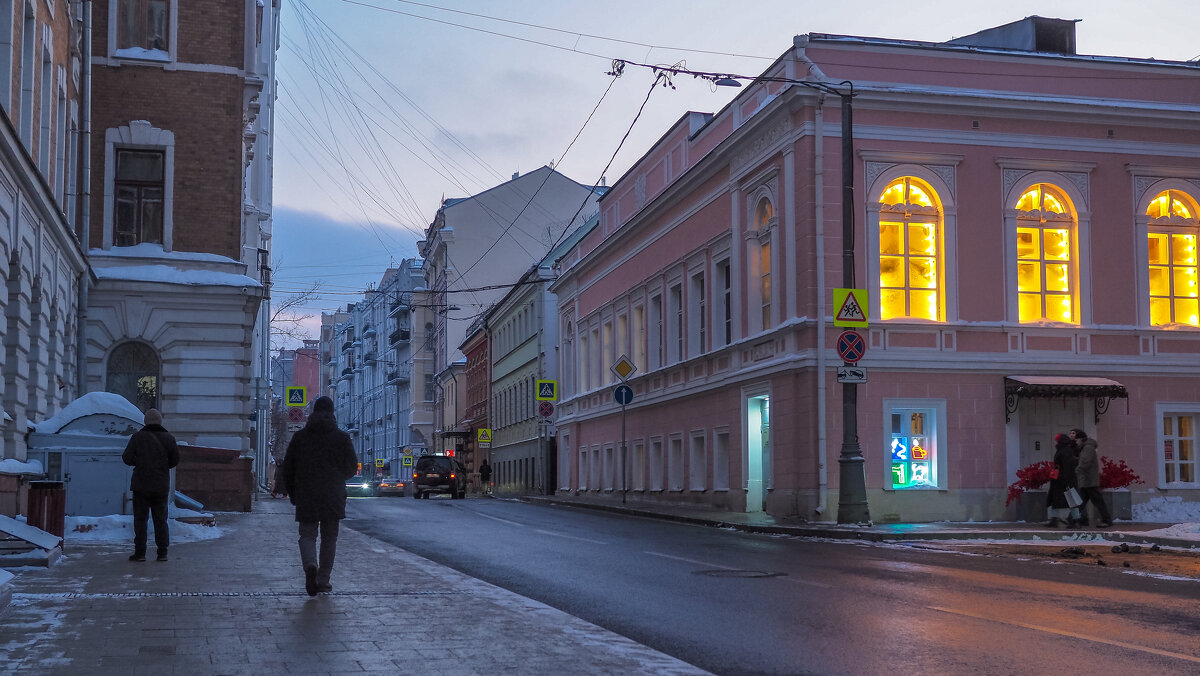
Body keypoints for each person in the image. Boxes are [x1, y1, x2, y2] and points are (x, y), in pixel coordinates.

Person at [281, 396, 357, 596]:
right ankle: (323, 580)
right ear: (332, 413)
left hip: (306, 494)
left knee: (307, 535)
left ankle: (310, 566)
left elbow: (288, 469)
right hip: (333, 495)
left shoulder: (300, 438)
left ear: (313, 413)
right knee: (329, 538)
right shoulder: (342, 438)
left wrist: (292, 493)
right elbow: (351, 467)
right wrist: (336, 476)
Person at [122, 408, 180, 562]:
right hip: (160, 486)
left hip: (141, 485)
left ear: (145, 421)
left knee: (140, 520)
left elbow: (126, 458)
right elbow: (174, 461)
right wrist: (161, 466)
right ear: (160, 421)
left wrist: (140, 462)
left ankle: (140, 553)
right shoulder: (169, 438)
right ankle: (162, 553)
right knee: (160, 519)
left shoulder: (137, 437)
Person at [1071, 427, 1112, 528]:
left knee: (1097, 502)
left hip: (1089, 480)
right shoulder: (1085, 448)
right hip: (1086, 480)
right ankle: (1072, 520)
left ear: (1081, 439)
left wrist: (1077, 470)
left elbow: (1085, 462)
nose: (1076, 442)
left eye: (1076, 440)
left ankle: (1106, 520)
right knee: (1080, 502)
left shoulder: (1087, 448)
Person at [1044, 433, 1078, 528]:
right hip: (1059, 479)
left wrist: (1064, 478)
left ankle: (1075, 521)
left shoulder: (1065, 451)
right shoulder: (1064, 450)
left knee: (1072, 500)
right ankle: (1055, 519)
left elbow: (1066, 466)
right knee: (1054, 499)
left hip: (1064, 479)